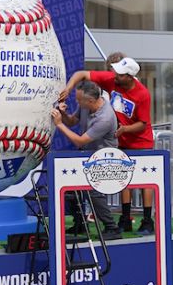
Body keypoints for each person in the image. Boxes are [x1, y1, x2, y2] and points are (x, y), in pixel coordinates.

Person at [59, 54, 157, 232]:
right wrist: (68, 88)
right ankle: (125, 218)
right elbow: (81, 74)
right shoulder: (112, 81)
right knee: (124, 180)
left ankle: (147, 220)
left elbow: (143, 123)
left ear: (129, 77)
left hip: (140, 140)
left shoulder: (142, 94)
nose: (115, 75)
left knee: (144, 182)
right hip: (120, 138)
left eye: (119, 73)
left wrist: (125, 129)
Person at [50, 78, 122, 231]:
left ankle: (111, 227)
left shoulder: (105, 118)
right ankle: (80, 223)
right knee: (71, 186)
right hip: (87, 154)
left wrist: (59, 124)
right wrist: (63, 114)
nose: (77, 102)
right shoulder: (86, 106)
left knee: (94, 192)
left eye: (79, 100)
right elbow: (72, 121)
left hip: (104, 158)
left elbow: (80, 141)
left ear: (90, 101)